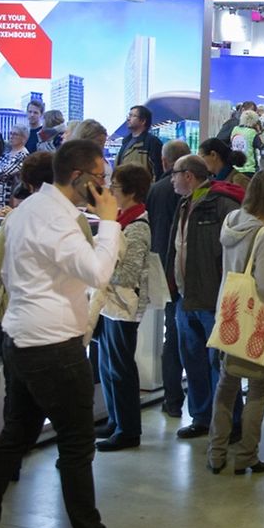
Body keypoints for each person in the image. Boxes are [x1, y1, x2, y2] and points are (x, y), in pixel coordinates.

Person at [0, 139, 152, 528]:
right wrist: (108, 223)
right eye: (100, 178)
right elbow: (99, 272)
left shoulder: (29, 210)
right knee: (77, 446)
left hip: (23, 338)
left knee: (15, 439)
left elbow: (4, 268)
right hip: (52, 345)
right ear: (80, 178)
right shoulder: (59, 222)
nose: (105, 187)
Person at [208, 171, 264, 476]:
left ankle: (216, 452)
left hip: (228, 310)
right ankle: (247, 455)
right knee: (257, 388)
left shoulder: (231, 221)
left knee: (225, 386)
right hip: (255, 319)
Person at [166, 154, 246, 439]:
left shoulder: (223, 205)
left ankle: (231, 422)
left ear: (188, 175)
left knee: (220, 365)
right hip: (186, 298)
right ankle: (201, 417)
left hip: (213, 299)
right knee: (193, 362)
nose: (171, 178)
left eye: (174, 173)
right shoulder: (185, 203)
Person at [94, 164, 154, 452]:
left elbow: (128, 274)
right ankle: (116, 420)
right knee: (107, 364)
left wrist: (99, 264)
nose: (110, 191)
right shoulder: (120, 220)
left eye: (115, 186)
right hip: (109, 302)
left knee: (120, 367)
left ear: (129, 191)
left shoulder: (137, 226)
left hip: (124, 304)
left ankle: (128, 429)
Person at [145, 139, 190, 418]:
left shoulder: (154, 191)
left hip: (163, 270)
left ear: (164, 162)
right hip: (187, 274)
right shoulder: (194, 192)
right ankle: (193, 402)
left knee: (171, 338)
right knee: (185, 337)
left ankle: (172, 399)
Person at [0, 125, 30, 211]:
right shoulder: (6, 154)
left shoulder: (23, 155)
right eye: (10, 133)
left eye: (15, 134)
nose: (11, 136)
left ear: (24, 138)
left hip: (10, 199)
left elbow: (4, 173)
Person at [115, 105, 163, 180]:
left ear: (143, 121)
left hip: (142, 190)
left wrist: (152, 191)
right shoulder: (126, 142)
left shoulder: (152, 142)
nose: (128, 118)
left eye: (132, 116)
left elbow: (158, 172)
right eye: (128, 115)